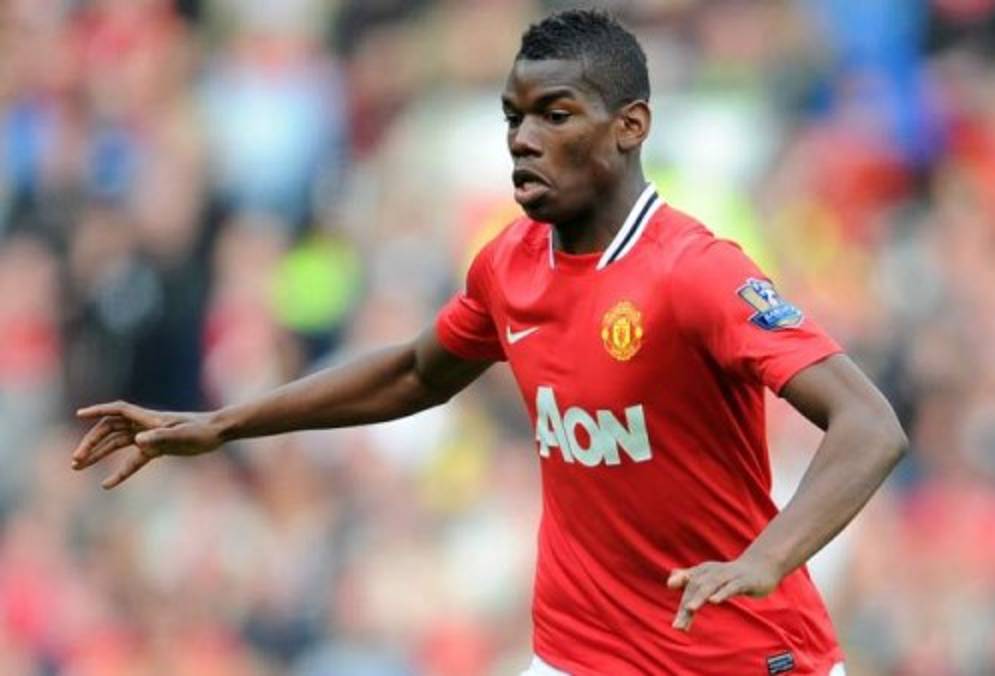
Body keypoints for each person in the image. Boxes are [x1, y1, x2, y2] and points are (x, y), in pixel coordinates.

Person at [71, 9, 906, 675]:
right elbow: (413, 373)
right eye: (513, 116)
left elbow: (869, 425)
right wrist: (225, 424)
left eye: (555, 114)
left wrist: (765, 561)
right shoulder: (511, 264)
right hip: (581, 655)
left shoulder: (695, 272)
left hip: (737, 654)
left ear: (629, 126)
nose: (522, 138)